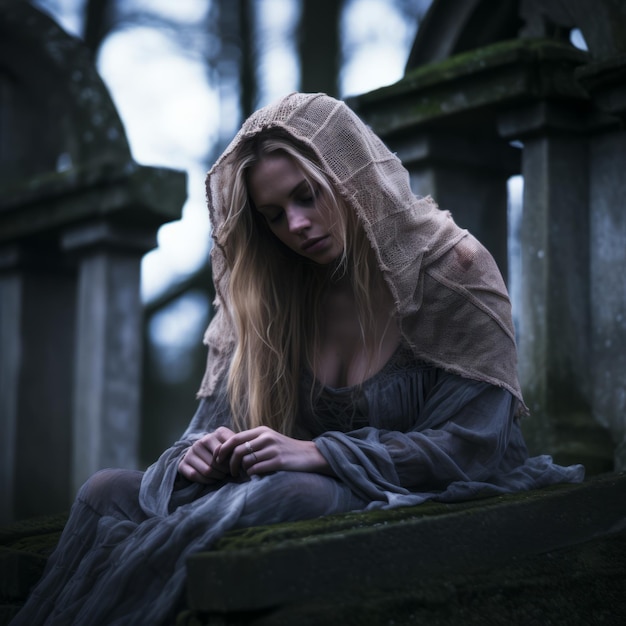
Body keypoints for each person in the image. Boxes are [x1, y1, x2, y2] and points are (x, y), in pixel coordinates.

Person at [12, 92, 584, 625]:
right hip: (285, 485)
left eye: (306, 196)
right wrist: (204, 451)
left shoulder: (448, 271)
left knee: (289, 493)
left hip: (422, 491)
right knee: (103, 490)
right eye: (274, 214)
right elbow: (212, 427)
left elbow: (475, 445)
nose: (296, 225)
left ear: (350, 176)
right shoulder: (273, 293)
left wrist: (319, 453)